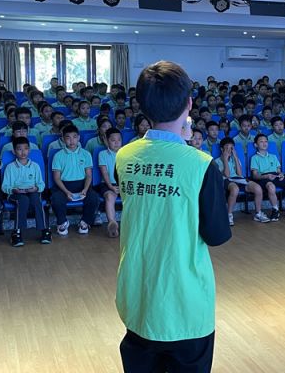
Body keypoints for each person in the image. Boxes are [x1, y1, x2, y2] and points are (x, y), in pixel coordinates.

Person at [116, 61, 230, 373]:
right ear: (189, 104)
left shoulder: (124, 156)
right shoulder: (202, 165)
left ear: (141, 106)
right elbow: (217, 235)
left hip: (138, 297)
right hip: (186, 304)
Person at [50, 124, 100, 236]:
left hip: (82, 184)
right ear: (63, 139)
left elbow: (89, 176)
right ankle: (62, 222)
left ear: (79, 138)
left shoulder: (86, 154)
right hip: (64, 185)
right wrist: (66, 191)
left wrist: (85, 189)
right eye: (68, 137)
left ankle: (85, 222)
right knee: (56, 199)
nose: (71, 141)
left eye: (74, 137)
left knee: (94, 198)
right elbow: (56, 177)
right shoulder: (58, 155)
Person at [1, 137, 51, 246]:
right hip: (15, 193)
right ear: (14, 151)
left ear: (29, 150)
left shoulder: (35, 166)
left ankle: (45, 230)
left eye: (26, 149)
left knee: (36, 198)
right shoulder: (10, 167)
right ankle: (17, 232)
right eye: (19, 149)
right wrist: (13, 190)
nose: (23, 152)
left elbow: (41, 184)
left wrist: (36, 188)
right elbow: (4, 186)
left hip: (32, 191)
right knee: (23, 200)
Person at [250, 134, 285, 221]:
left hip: (275, 176)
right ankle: (275, 210)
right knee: (271, 186)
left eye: (266, 141)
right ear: (256, 145)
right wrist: (266, 176)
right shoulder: (254, 158)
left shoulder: (273, 156)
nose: (264, 143)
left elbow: (278, 170)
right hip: (263, 178)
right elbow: (255, 176)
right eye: (261, 142)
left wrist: (281, 174)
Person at [215, 137, 264, 226]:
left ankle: (258, 213)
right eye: (227, 147)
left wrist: (236, 157)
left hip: (238, 179)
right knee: (235, 189)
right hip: (226, 180)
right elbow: (227, 175)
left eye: (232, 148)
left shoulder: (235, 159)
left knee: (257, 188)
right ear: (222, 149)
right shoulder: (217, 161)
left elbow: (240, 174)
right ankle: (229, 215)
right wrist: (225, 159)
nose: (229, 150)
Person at [97, 127, 122, 237]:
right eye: (113, 140)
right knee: (109, 197)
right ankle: (112, 223)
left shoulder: (125, 153)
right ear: (107, 141)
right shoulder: (102, 154)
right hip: (108, 184)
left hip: (123, 183)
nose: (116, 143)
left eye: (119, 140)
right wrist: (111, 187)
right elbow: (104, 173)